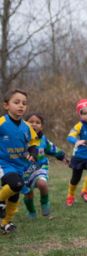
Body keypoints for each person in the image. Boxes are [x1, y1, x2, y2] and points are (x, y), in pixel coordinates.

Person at [0, 89, 39, 233]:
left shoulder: (27, 126)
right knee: (16, 184)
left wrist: (33, 152)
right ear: (6, 105)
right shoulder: (2, 123)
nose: (21, 106)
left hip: (19, 165)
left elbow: (34, 142)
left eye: (24, 103)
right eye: (16, 102)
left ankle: (5, 223)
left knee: (14, 195)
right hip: (3, 164)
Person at [22, 113, 69, 218]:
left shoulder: (43, 139)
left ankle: (45, 205)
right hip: (24, 170)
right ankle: (31, 212)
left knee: (42, 184)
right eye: (31, 122)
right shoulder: (21, 138)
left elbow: (52, 149)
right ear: (25, 124)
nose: (34, 124)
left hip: (40, 167)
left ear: (41, 126)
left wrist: (62, 156)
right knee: (28, 192)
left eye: (37, 122)